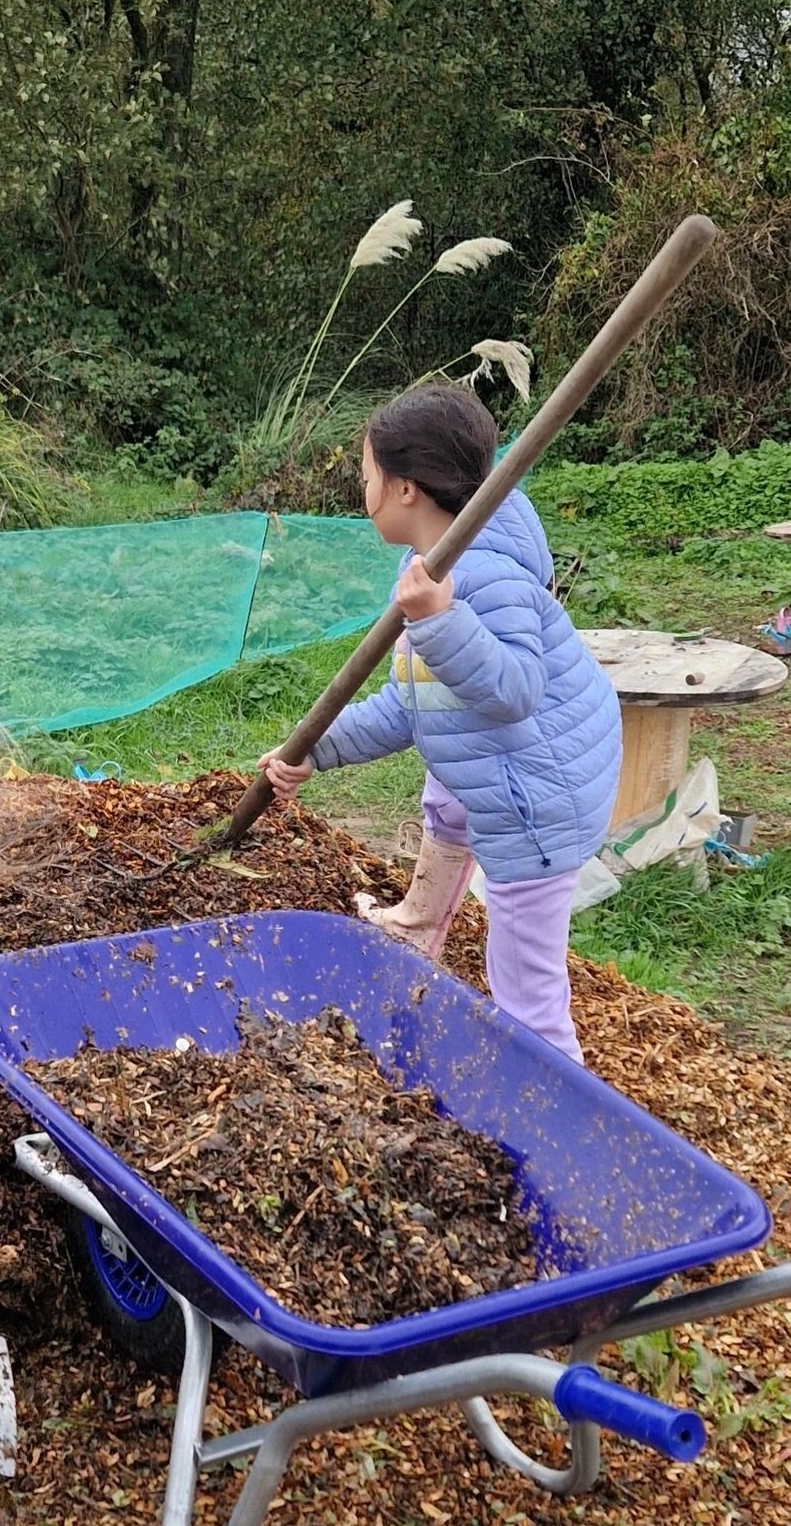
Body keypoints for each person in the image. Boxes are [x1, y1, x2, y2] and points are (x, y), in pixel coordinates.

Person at [258, 383, 620, 1060]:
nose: (359, 488)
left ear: (405, 489)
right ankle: (422, 922)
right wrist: (319, 751)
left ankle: (557, 1111)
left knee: (524, 988)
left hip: (540, 798)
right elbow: (415, 701)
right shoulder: (431, 564)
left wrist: (440, 621)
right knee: (447, 795)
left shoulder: (483, 576)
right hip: (505, 765)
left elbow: (514, 691)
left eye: (366, 475)